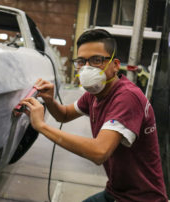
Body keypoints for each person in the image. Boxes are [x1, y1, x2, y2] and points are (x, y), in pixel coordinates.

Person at [20, 29, 168, 202]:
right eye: (81, 61)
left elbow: (99, 152)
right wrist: (50, 101)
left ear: (114, 65)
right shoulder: (95, 93)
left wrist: (42, 126)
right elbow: (65, 115)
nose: (87, 67)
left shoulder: (127, 97)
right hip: (116, 191)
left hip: (141, 198)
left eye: (96, 60)